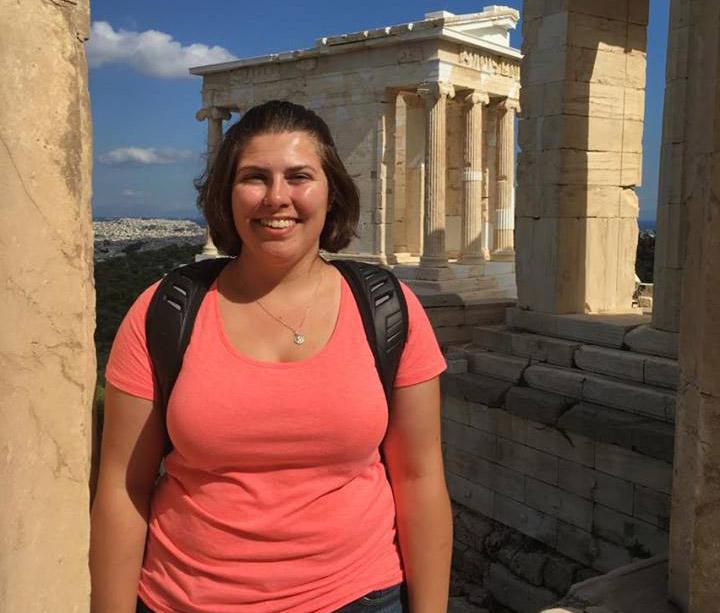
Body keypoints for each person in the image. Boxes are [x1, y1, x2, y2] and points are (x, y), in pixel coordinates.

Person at [90, 100, 452, 613]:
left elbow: (420, 478)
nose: (276, 198)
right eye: (254, 177)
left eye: (299, 176)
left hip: (357, 596)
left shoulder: (387, 308)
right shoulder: (164, 311)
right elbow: (123, 489)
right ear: (227, 194)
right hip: (187, 598)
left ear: (332, 193)